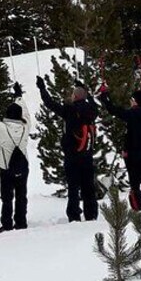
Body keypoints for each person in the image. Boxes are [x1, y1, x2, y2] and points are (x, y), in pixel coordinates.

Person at [36, 76, 99, 222]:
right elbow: (93, 104)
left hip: (72, 155)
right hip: (87, 155)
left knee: (73, 188)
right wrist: (86, 91)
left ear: (75, 96)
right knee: (88, 187)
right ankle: (91, 214)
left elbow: (50, 103)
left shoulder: (70, 110)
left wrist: (42, 88)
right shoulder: (92, 111)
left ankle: (74, 215)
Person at [98, 85, 141, 211]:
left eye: (132, 99)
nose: (131, 101)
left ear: (136, 101)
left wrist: (104, 97)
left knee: (134, 182)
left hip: (132, 152)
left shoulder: (132, 114)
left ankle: (137, 206)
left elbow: (114, 110)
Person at [0, 83, 32, 232]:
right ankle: (21, 222)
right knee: (22, 196)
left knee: (7, 198)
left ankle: (7, 223)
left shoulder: (2, 129)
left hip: (7, 168)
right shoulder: (26, 127)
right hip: (23, 167)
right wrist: (19, 97)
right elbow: (27, 114)